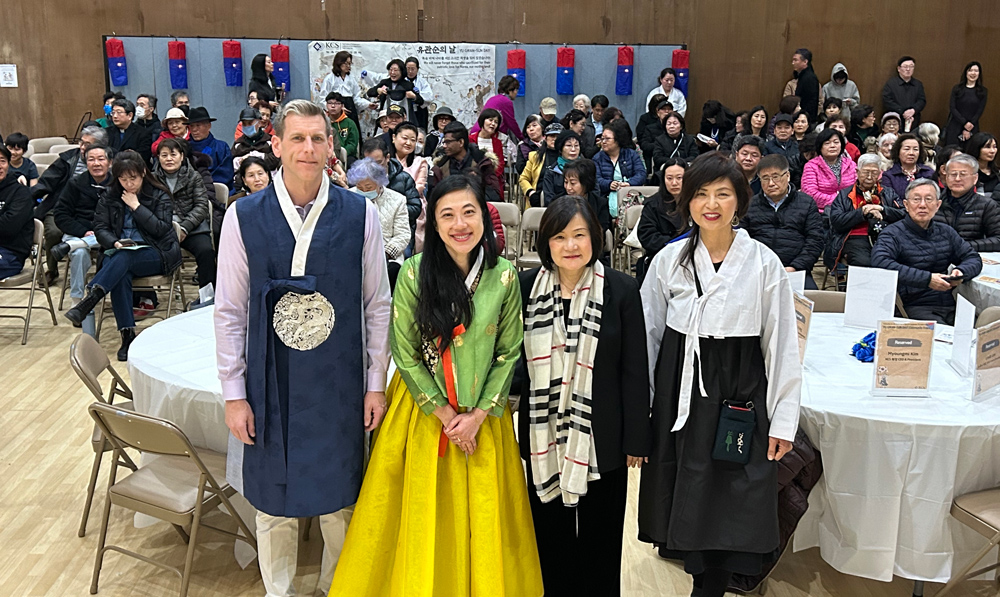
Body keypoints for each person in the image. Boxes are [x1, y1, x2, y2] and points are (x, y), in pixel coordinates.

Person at [329, 174, 543, 597]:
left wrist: (477, 416)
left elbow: (509, 351)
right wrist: (446, 415)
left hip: (484, 417)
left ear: (484, 216)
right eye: (448, 215)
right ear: (433, 222)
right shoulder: (413, 272)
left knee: (483, 517)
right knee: (419, 514)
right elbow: (405, 352)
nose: (460, 224)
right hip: (425, 416)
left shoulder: (504, 276)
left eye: (469, 212)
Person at [214, 99, 391, 597]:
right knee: (272, 504)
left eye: (317, 138)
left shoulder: (360, 214)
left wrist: (375, 383)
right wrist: (233, 393)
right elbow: (228, 311)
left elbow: (378, 305)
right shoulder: (243, 216)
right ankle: (279, 591)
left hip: (339, 380)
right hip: (268, 380)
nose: (308, 148)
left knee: (341, 501)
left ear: (331, 146)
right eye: (297, 138)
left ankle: (339, 586)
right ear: (276, 145)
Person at [638, 151, 801, 597]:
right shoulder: (669, 260)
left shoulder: (763, 263)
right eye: (702, 194)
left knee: (733, 490)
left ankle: (715, 585)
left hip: (739, 386)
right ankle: (698, 579)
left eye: (723, 194)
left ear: (740, 201)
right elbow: (649, 336)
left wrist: (783, 420)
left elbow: (782, 344)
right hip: (680, 384)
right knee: (686, 483)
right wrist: (645, 409)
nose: (711, 204)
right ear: (687, 200)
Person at [516, 195, 650, 596]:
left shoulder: (622, 289)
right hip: (543, 437)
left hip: (603, 437)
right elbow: (513, 362)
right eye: (559, 237)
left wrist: (636, 440)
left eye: (579, 235)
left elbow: (635, 368)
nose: (570, 246)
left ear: (595, 237)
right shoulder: (526, 288)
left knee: (601, 544)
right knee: (550, 541)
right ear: (546, 243)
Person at [64, 150, 181, 360]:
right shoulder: (110, 195)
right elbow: (100, 227)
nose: (128, 184)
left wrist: (136, 207)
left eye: (133, 178)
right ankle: (127, 335)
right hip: (119, 251)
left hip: (156, 251)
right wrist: (114, 242)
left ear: (143, 173)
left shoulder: (159, 194)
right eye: (123, 179)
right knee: (121, 269)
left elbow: (161, 230)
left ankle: (93, 297)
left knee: (123, 260)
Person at [872, 178, 982, 324]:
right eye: (916, 199)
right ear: (906, 205)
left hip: (948, 303)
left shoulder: (946, 231)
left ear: (938, 205)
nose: (922, 205)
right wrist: (927, 280)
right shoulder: (892, 233)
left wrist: (962, 272)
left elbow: (972, 257)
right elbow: (880, 262)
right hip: (912, 305)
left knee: (984, 327)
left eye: (929, 199)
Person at [50, 145, 114, 332]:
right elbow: (61, 214)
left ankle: (73, 245)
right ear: (86, 163)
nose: (96, 163)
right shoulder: (75, 183)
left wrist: (100, 231)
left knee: (91, 245)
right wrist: (83, 231)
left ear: (110, 162)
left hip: (107, 233)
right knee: (79, 253)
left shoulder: (117, 183)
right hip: (79, 232)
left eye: (101, 159)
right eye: (91, 159)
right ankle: (77, 302)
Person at [740, 154, 824, 289]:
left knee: (811, 299)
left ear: (788, 176)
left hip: (795, 269)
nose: (771, 183)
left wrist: (795, 267)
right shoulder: (750, 205)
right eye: (765, 178)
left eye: (776, 177)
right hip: (758, 270)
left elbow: (815, 240)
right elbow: (741, 241)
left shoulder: (806, 203)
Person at [151, 138, 215, 295]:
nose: (169, 159)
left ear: (182, 156)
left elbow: (201, 206)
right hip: (162, 230)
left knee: (206, 251)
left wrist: (185, 227)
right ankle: (147, 298)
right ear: (158, 158)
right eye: (164, 155)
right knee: (139, 251)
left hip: (191, 228)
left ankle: (208, 297)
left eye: (173, 154)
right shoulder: (152, 179)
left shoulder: (194, 176)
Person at [825, 153, 905, 269]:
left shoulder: (888, 193)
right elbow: (837, 221)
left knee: (892, 260)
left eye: (874, 173)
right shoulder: (845, 194)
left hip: (885, 236)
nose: (869, 177)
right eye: (866, 172)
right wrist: (862, 212)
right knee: (865, 263)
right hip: (855, 237)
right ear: (857, 172)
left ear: (879, 173)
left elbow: (904, 214)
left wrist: (882, 209)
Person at [347, 158, 409, 289]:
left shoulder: (398, 200)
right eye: (359, 187)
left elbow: (403, 234)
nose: (364, 191)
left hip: (387, 256)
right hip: (355, 253)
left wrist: (383, 254)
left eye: (368, 187)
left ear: (380, 183)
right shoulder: (348, 197)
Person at [935, 153, 1000, 252]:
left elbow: (998, 240)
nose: (957, 179)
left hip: (970, 255)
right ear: (946, 177)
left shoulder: (987, 205)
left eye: (963, 174)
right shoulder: (934, 202)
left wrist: (963, 246)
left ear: (975, 178)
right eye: (953, 174)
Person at [428, 121, 503, 202]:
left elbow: (494, 196)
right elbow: (433, 198)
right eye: (444, 142)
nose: (444, 146)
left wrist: (476, 185)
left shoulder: (482, 164)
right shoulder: (441, 167)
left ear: (461, 142)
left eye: (448, 142)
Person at [362, 137, 421, 237]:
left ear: (387, 158)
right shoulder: (359, 180)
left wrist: (392, 211)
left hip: (398, 233)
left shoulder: (404, 178)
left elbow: (415, 208)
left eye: (378, 163)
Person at [638, 158, 686, 275]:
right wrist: (673, 245)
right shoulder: (653, 204)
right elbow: (647, 236)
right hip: (661, 257)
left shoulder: (697, 202)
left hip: (692, 256)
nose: (674, 183)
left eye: (679, 178)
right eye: (669, 178)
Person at [594, 120, 646, 218]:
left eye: (607, 139)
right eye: (602, 138)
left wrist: (629, 183)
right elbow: (596, 179)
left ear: (617, 140)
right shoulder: (597, 158)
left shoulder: (631, 154)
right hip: (606, 196)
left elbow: (641, 174)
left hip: (630, 193)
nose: (603, 142)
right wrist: (609, 184)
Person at [0, 145, 36, 280]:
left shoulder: (21, 192)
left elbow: (9, 227)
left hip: (11, 252)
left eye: (2, 161)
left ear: (8, 164)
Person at [801, 128, 857, 211]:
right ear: (820, 147)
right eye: (827, 143)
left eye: (836, 142)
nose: (832, 146)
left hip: (849, 210)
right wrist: (839, 201)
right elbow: (810, 194)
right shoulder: (811, 166)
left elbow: (857, 189)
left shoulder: (851, 164)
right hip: (821, 212)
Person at [318, 51, 374, 133]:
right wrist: (336, 108)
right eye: (346, 63)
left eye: (350, 64)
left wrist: (367, 104)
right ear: (339, 63)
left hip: (350, 109)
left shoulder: (351, 79)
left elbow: (356, 98)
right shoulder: (329, 79)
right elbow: (323, 98)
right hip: (335, 111)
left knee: (353, 132)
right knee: (337, 133)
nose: (348, 66)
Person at [187, 107, 234, 188]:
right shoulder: (185, 149)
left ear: (209, 126)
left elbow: (226, 174)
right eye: (191, 126)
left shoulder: (221, 147)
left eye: (198, 125)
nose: (194, 129)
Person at [944, 61, 988, 146]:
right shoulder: (957, 89)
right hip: (955, 125)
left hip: (972, 126)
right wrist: (964, 123)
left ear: (979, 73)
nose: (973, 73)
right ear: (966, 72)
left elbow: (979, 111)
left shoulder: (983, 91)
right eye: (970, 70)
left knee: (970, 149)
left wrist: (968, 128)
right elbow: (952, 108)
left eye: (976, 71)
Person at [881, 133, 935, 200]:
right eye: (907, 149)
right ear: (898, 152)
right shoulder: (889, 176)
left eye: (915, 149)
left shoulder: (929, 172)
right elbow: (890, 200)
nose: (911, 153)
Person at [562, 158, 610, 234]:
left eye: (573, 183)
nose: (568, 187)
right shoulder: (556, 202)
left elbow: (601, 231)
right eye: (566, 182)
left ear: (586, 183)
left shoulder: (600, 204)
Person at [470, 75, 523, 142]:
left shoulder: (493, 98)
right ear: (511, 90)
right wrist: (522, 138)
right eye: (516, 90)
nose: (516, 93)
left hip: (476, 133)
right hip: (485, 136)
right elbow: (511, 123)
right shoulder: (506, 101)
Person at [520, 123, 562, 207]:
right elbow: (523, 178)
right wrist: (531, 192)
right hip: (537, 199)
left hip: (560, 200)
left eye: (558, 136)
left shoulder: (567, 157)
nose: (554, 139)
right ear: (545, 138)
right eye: (552, 136)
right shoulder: (535, 156)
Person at [232, 107, 280, 175]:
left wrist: (256, 156)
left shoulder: (270, 140)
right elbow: (229, 164)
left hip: (268, 178)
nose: (247, 126)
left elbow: (276, 160)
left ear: (259, 123)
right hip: (243, 179)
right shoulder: (238, 143)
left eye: (250, 123)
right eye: (244, 124)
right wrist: (240, 161)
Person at [104, 99, 152, 165]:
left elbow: (143, 156)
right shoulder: (106, 132)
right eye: (113, 113)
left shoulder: (143, 133)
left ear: (130, 115)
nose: (115, 116)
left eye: (119, 112)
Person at [882, 56, 926, 130]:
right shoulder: (891, 84)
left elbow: (922, 100)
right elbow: (887, 100)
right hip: (896, 119)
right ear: (899, 69)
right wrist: (902, 112)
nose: (908, 69)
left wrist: (913, 110)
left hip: (914, 118)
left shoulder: (918, 84)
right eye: (905, 66)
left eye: (911, 66)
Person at [540, 130, 583, 204]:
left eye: (576, 145)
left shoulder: (587, 169)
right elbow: (548, 199)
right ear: (561, 149)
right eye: (569, 145)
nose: (573, 149)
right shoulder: (552, 171)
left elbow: (594, 194)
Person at [391, 122, 428, 198]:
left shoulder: (420, 162)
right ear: (394, 137)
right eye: (405, 138)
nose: (408, 143)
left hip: (412, 201)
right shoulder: (386, 160)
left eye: (413, 140)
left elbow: (419, 187)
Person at [470, 108, 506, 183]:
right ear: (482, 120)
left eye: (496, 122)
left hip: (492, 180)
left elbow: (501, 164)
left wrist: (492, 177)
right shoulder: (470, 139)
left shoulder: (498, 143)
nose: (493, 124)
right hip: (474, 179)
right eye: (490, 120)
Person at [325, 92, 360, 160]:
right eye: (330, 103)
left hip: (347, 155)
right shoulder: (323, 122)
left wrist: (341, 153)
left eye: (337, 103)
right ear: (326, 105)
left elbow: (352, 144)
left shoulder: (350, 123)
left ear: (342, 106)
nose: (333, 106)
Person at [965, 132, 1000, 199]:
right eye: (987, 147)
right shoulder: (967, 173)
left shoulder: (997, 172)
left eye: (994, 147)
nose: (992, 151)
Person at [638, 94, 669, 164]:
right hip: (651, 151)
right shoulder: (645, 118)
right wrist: (660, 145)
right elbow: (642, 141)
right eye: (663, 108)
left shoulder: (673, 120)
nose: (666, 111)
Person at [404, 56, 433, 130]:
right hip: (405, 111)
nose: (410, 71)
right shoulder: (401, 81)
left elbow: (429, 97)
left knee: (420, 131)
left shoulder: (422, 82)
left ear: (417, 69)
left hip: (419, 112)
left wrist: (415, 96)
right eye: (408, 69)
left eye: (413, 69)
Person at [792, 48, 819, 121]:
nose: (793, 63)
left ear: (805, 62)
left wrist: (804, 115)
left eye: (796, 60)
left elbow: (811, 101)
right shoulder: (802, 76)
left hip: (806, 118)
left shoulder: (809, 78)